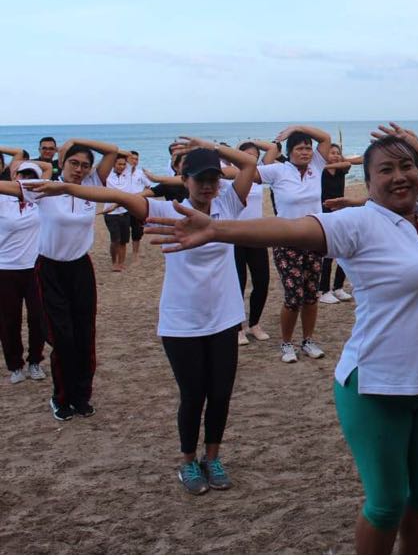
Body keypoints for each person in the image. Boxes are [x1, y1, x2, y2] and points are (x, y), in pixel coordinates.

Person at [146, 122, 418, 554]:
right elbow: (290, 229)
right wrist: (218, 230)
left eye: (407, 167)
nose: (399, 176)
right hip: (375, 384)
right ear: (369, 182)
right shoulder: (358, 223)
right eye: (385, 170)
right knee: (387, 503)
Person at [29, 137, 257, 494]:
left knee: (220, 393)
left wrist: (208, 146)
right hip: (182, 321)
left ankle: (212, 458)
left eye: (213, 178)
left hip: (225, 317)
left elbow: (249, 165)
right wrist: (66, 187)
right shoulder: (168, 211)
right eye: (200, 178)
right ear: (185, 180)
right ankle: (188, 462)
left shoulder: (228, 204)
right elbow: (117, 197)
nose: (208, 185)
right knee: (193, 394)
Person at [0, 138, 118, 420]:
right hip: (49, 269)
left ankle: (82, 397)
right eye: (74, 163)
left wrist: (76, 141)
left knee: (85, 336)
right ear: (61, 163)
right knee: (62, 337)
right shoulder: (45, 188)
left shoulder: (91, 186)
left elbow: (112, 151)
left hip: (81, 269)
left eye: (85, 165)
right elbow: (8, 187)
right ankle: (61, 398)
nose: (79, 169)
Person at [254, 124, 335, 363]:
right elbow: (248, 173)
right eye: (300, 148)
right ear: (289, 152)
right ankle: (286, 343)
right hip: (287, 242)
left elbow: (326, 138)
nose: (305, 152)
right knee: (293, 296)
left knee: (311, 295)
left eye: (308, 148)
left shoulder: (316, 167)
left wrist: (296, 128)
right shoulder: (278, 171)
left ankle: (308, 340)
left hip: (315, 239)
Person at [0, 150, 50, 384]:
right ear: (14, 176)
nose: (27, 180)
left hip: (35, 268)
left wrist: (31, 165)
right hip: (5, 268)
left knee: (38, 318)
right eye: (23, 175)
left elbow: (48, 169)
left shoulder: (42, 200)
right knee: (9, 320)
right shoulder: (2, 198)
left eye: (32, 176)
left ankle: (35, 362)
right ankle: (15, 366)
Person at [232, 140, 277, 345]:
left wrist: (251, 141)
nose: (251, 159)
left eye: (254, 156)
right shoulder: (231, 174)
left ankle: (254, 324)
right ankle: (237, 328)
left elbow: (273, 149)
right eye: (247, 155)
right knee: (237, 283)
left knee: (262, 281)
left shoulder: (260, 173)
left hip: (257, 234)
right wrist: (238, 149)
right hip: (234, 235)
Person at [319, 142, 363, 304]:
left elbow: (347, 163)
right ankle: (323, 290)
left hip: (340, 211)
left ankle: (338, 287)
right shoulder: (319, 171)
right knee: (328, 253)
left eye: (338, 152)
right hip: (324, 212)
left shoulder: (341, 169)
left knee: (344, 251)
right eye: (332, 153)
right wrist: (323, 166)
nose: (335, 155)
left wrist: (329, 164)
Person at [100, 153, 134, 272]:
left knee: (124, 241)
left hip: (125, 212)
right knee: (115, 240)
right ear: (113, 164)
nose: (122, 166)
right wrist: (114, 154)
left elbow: (129, 155)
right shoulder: (108, 175)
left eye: (124, 164)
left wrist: (124, 158)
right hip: (111, 214)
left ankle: (121, 263)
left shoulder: (127, 173)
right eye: (119, 164)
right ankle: (114, 262)